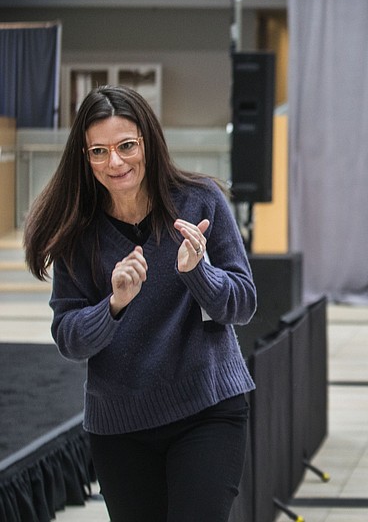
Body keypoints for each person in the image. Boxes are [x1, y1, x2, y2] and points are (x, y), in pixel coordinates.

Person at [23, 85, 257, 522]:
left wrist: (198, 272)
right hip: (120, 425)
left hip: (207, 409)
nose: (115, 162)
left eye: (126, 146)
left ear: (148, 141)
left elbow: (243, 305)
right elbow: (69, 339)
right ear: (85, 158)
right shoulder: (78, 233)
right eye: (98, 151)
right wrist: (113, 304)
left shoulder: (201, 200)